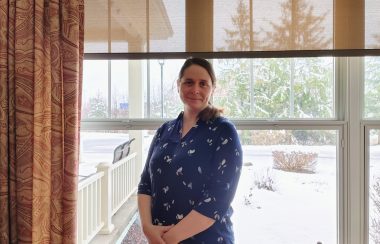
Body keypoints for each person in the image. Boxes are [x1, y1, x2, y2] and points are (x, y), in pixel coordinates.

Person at [138, 57, 243, 244]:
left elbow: (218, 198)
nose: (195, 89)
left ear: (212, 89)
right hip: (158, 239)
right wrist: (147, 228)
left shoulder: (223, 131)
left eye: (203, 84)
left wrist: (171, 238)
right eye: (189, 82)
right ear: (178, 85)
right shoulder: (165, 130)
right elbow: (145, 183)